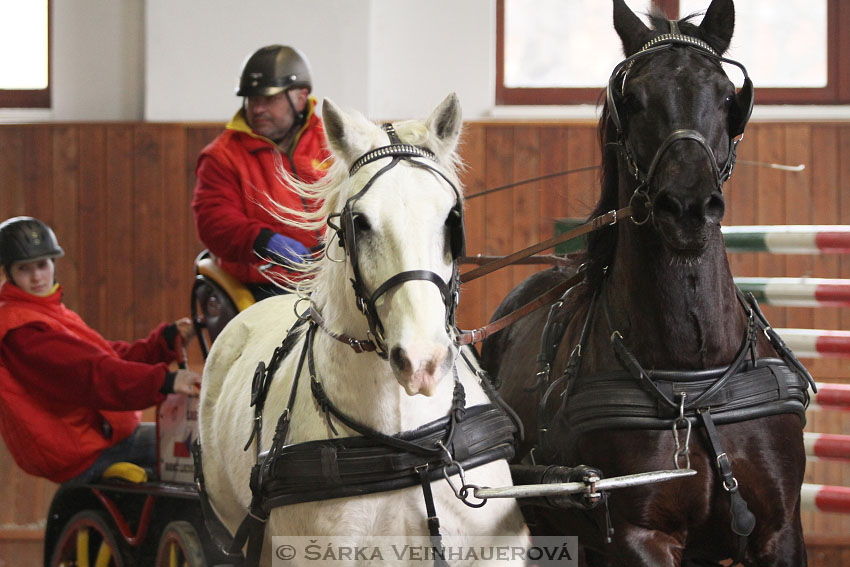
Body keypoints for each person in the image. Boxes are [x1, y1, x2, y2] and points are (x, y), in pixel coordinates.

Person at [0, 216, 203, 485]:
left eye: (42, 264)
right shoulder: (22, 330)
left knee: (193, 451)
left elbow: (106, 355)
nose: (37, 276)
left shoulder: (45, 311)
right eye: (25, 269)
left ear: (53, 264)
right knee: (198, 456)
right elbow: (90, 373)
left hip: (100, 437)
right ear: (8, 273)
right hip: (84, 451)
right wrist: (166, 381)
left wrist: (162, 343)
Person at [192, 44, 329, 300]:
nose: (257, 109)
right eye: (253, 99)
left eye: (270, 99)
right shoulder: (222, 156)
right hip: (267, 285)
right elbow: (214, 221)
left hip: (336, 278)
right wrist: (264, 241)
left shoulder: (332, 142)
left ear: (300, 97)